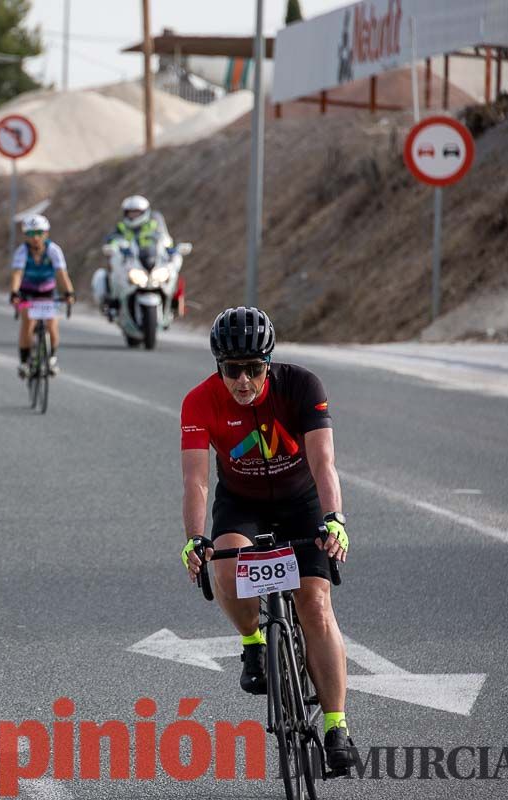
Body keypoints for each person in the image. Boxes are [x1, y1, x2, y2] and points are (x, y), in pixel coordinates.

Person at [180, 306, 355, 773]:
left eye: (253, 369)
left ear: (269, 363)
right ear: (219, 367)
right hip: (242, 502)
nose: (243, 381)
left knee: (315, 604)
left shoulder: (302, 386)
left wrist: (334, 518)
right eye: (232, 370)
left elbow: (323, 463)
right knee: (226, 569)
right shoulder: (199, 402)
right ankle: (253, 640)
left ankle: (337, 727)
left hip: (301, 500)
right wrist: (196, 539)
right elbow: (196, 482)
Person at [95, 195, 186, 317]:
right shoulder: (122, 228)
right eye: (131, 213)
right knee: (113, 270)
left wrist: (171, 249)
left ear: (145, 212)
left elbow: (165, 240)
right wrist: (114, 246)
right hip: (130, 263)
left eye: (137, 212)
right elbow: (112, 240)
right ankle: (113, 302)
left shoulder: (154, 226)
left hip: (151, 261)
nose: (134, 216)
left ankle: (176, 301)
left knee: (172, 270)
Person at [8, 214, 75, 378]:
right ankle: (24, 362)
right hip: (27, 293)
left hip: (48, 292)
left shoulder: (53, 250)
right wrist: (14, 293)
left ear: (46, 233)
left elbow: (61, 273)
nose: (35, 237)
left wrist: (69, 293)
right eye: (31, 234)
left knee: (52, 325)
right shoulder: (22, 251)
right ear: (26, 236)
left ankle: (51, 358)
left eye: (39, 233)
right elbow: (17, 274)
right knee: (28, 323)